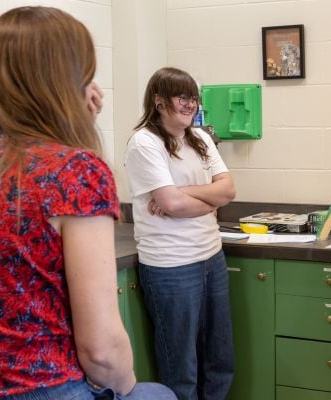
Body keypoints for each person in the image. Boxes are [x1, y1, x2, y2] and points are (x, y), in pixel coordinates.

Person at [0, 7, 176, 400]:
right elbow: (102, 352)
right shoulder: (76, 172)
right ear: (68, 82)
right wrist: (126, 390)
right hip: (43, 385)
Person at [124, 67, 236, 400]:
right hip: (170, 267)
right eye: (181, 97)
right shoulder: (144, 142)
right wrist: (204, 199)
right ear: (159, 101)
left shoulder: (200, 138)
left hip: (211, 258)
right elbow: (171, 203)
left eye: (192, 97)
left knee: (220, 359)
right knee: (181, 368)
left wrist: (184, 192)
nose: (189, 104)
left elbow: (228, 191)